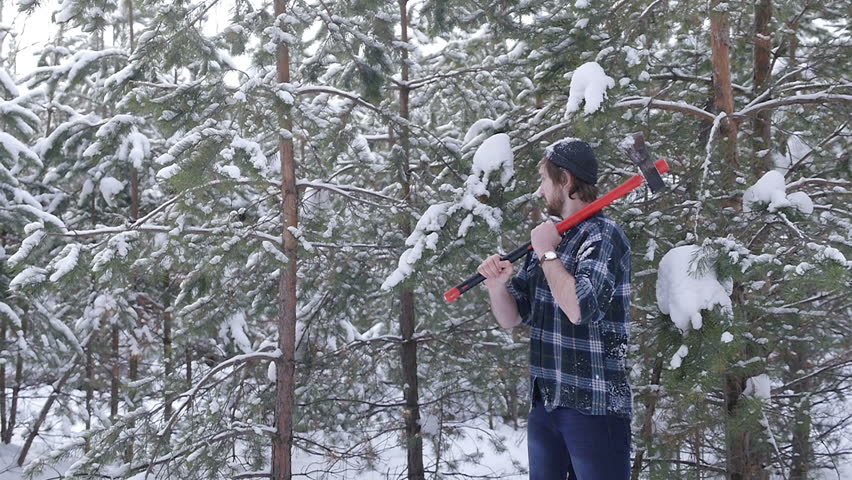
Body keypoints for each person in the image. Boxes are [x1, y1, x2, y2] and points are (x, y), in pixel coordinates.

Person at [477, 138, 632, 480]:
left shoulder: (603, 236)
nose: (540, 189)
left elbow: (579, 308)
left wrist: (547, 254)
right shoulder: (549, 238)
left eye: (545, 180)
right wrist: (497, 285)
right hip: (547, 404)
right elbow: (512, 317)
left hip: (595, 406)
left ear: (565, 180)